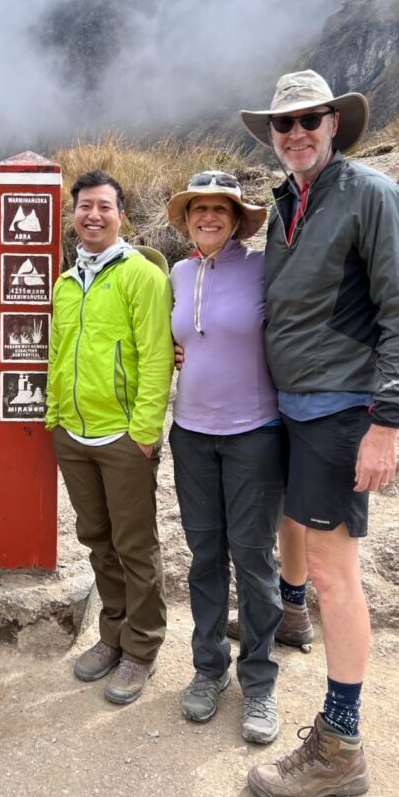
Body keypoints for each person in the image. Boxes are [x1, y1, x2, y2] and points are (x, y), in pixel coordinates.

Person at [239, 70, 399, 797]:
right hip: (290, 403)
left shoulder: (371, 195)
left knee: (334, 571)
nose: (296, 133)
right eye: (284, 124)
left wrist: (386, 422)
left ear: (334, 123)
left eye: (309, 119)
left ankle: (340, 745)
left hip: (341, 407)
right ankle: (289, 613)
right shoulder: (288, 202)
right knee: (292, 523)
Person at [45, 170, 174, 705]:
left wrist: (144, 433)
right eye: (84, 206)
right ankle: (113, 634)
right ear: (73, 215)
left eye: (104, 206)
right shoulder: (65, 283)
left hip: (123, 437)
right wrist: (55, 417)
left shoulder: (142, 275)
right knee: (98, 541)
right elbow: (58, 353)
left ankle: (141, 647)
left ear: (121, 215)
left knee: (134, 546)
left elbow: (157, 357)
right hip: (73, 436)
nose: (93, 215)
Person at [167, 170, 286, 744]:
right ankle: (208, 668)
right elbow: (180, 339)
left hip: (253, 433)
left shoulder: (264, 267)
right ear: (188, 219)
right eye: (199, 209)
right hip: (190, 434)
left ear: (237, 219)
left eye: (221, 208)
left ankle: (259, 682)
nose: (209, 217)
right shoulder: (179, 272)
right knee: (205, 556)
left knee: (254, 560)